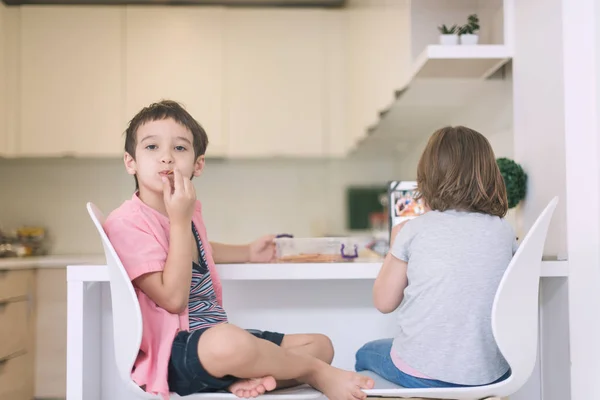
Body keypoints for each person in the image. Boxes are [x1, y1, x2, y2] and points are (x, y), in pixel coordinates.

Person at [103, 100, 374, 400]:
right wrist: (180, 219)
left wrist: (247, 252)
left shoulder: (186, 213)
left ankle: (233, 377)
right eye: (152, 147)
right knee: (232, 343)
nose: (166, 158)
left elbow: (199, 250)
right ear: (131, 162)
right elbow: (172, 299)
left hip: (214, 339)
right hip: (175, 352)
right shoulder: (128, 222)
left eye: (179, 148)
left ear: (198, 164)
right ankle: (314, 373)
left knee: (320, 346)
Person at [355, 126, 515, 388]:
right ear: (489, 176)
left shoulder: (413, 230)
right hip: (491, 375)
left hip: (420, 373)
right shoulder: (503, 231)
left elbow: (384, 302)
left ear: (427, 179)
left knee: (364, 353)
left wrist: (397, 241)